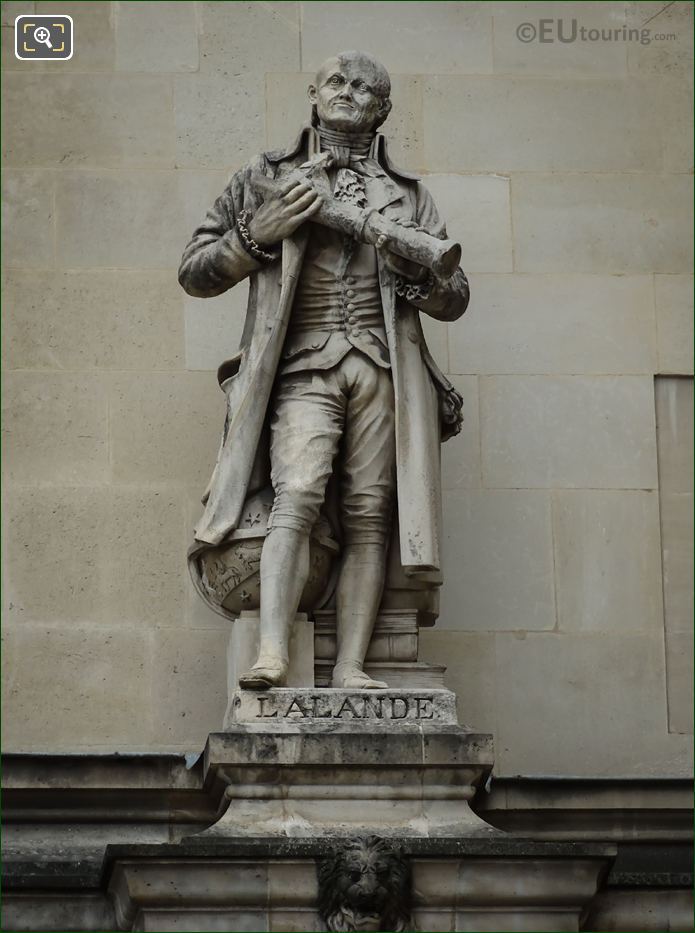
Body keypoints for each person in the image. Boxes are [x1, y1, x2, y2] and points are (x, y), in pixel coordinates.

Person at [179, 50, 469, 690]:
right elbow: (195, 272)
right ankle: (273, 653)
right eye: (336, 81)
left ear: (382, 108)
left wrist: (419, 278)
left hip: (381, 368)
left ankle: (351, 667)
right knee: (299, 494)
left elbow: (456, 295)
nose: (348, 92)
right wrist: (255, 236)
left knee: (371, 513)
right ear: (313, 95)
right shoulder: (264, 176)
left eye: (365, 86)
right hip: (302, 366)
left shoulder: (411, 196)